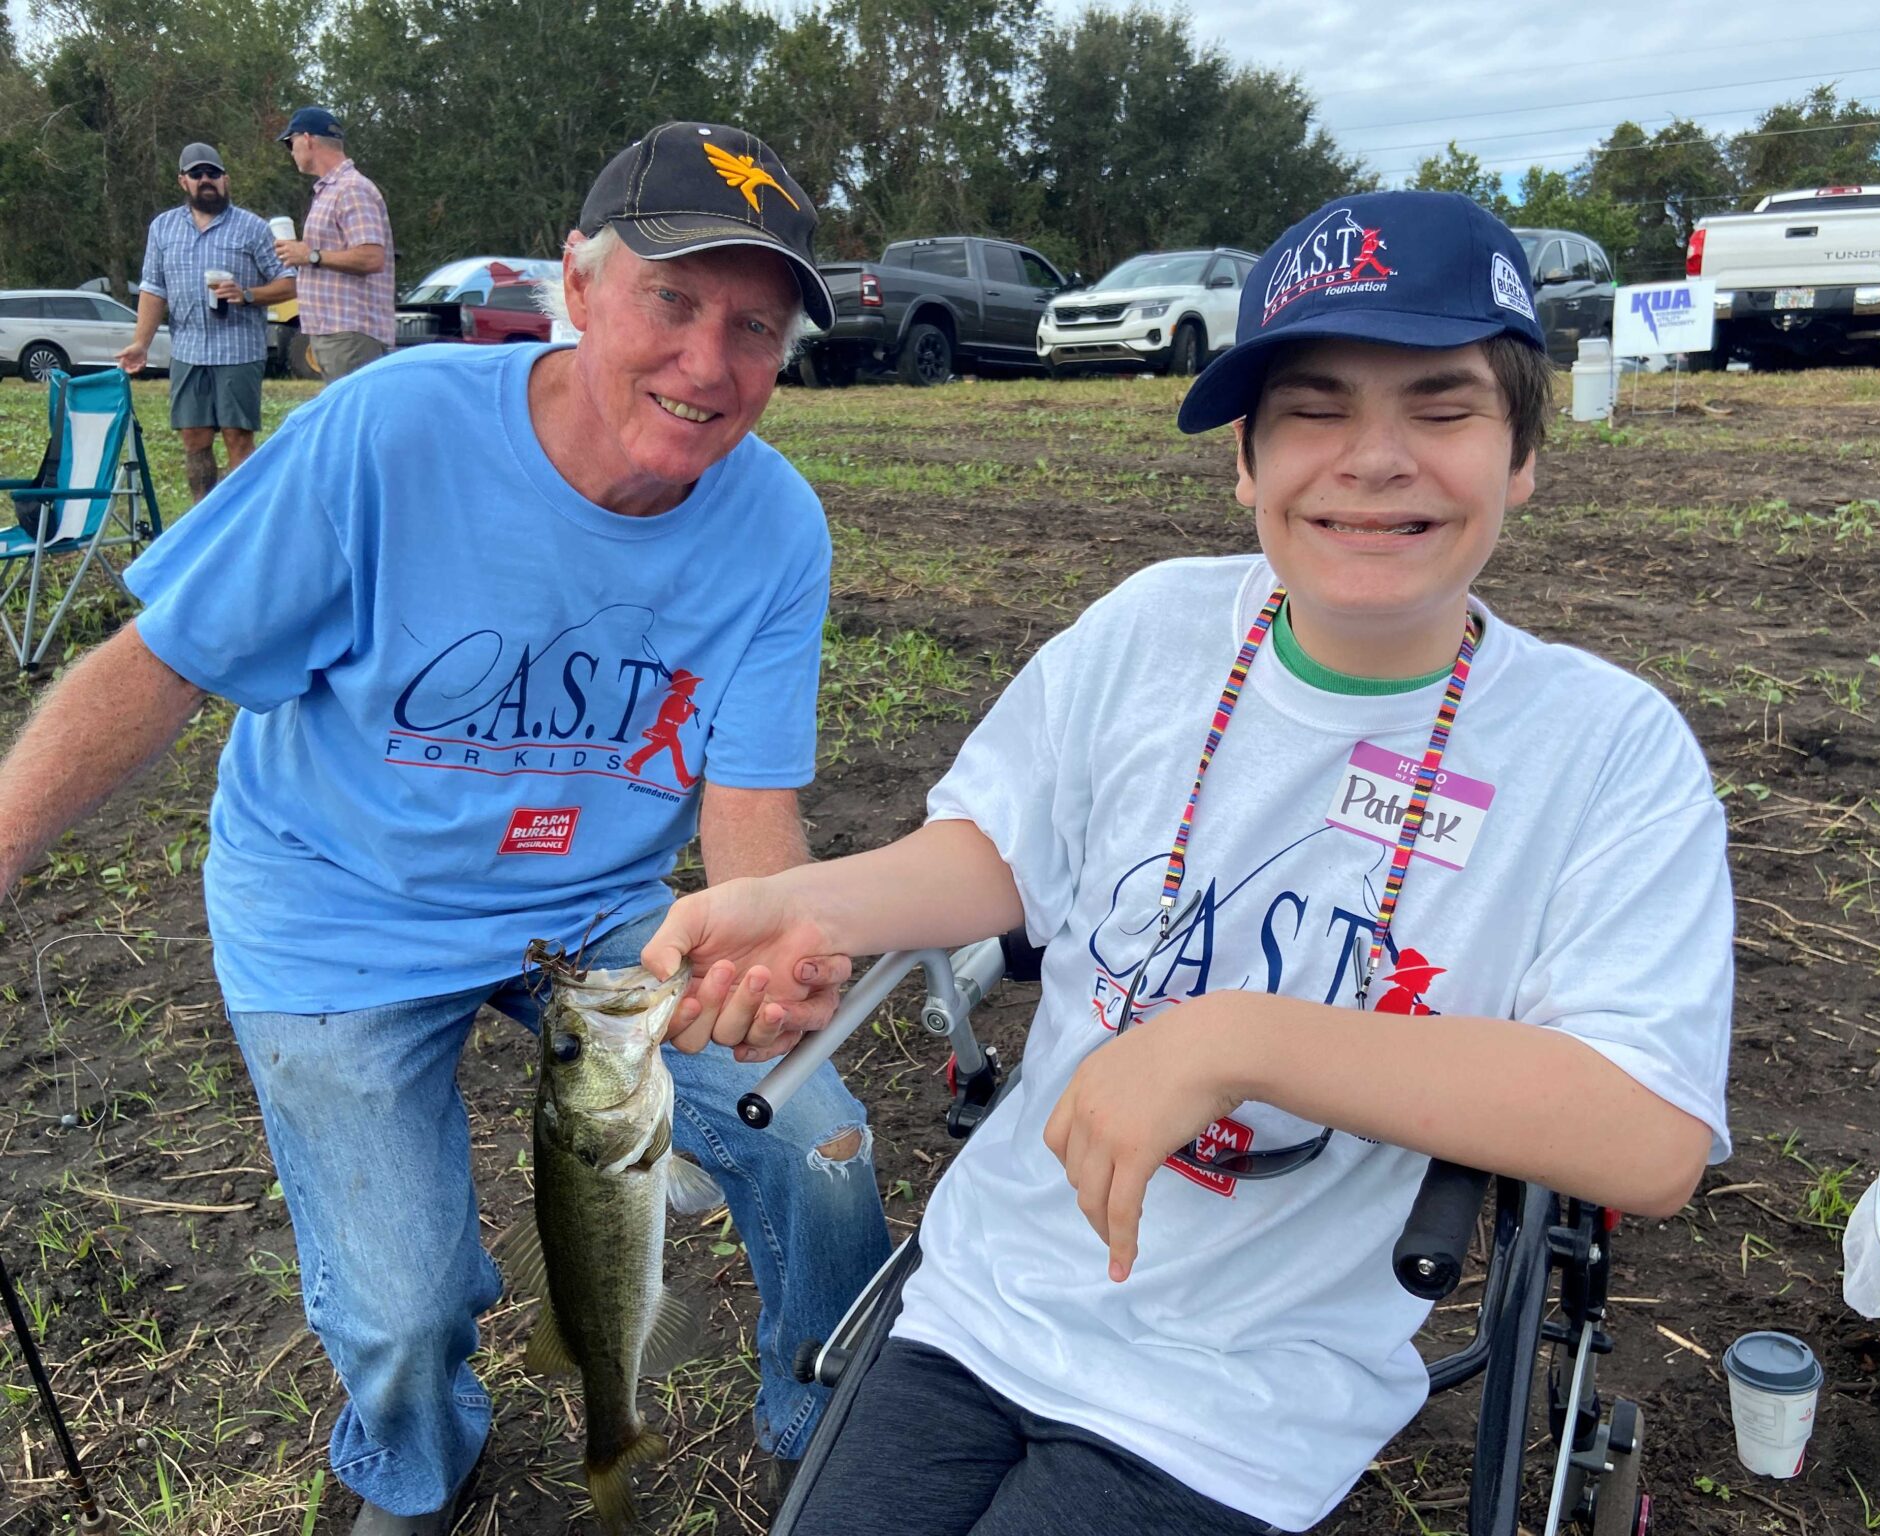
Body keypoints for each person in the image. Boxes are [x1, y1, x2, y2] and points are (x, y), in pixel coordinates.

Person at [642, 190, 1736, 1535]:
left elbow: (1648, 1134)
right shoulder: (1151, 632)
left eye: (1441, 409)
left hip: (1242, 1391)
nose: (1373, 459)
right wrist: (794, 900)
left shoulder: (1604, 749)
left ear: (1521, 456)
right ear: (1245, 462)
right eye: (1314, 410)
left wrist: (1235, 1043)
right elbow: (994, 853)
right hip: (993, 1289)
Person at [0, 122, 889, 1536]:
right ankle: (418, 1462)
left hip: (597, 904)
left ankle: (824, 1415)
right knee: (403, 1304)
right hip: (339, 899)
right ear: (575, 285)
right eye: (671, 300)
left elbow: (748, 810)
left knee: (817, 1139)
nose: (709, 364)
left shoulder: (774, 529)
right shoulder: (390, 434)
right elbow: (159, 666)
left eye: (755, 330)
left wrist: (767, 955)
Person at [117, 142, 295, 501]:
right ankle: (203, 517)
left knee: (237, 437)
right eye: (196, 174)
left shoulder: (252, 228)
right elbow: (153, 289)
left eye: (212, 173)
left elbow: (289, 283)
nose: (205, 180)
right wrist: (140, 344)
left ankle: (242, 517)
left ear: (225, 179)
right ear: (183, 181)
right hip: (188, 352)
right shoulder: (163, 228)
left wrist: (247, 294)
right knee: (194, 438)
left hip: (239, 352)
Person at [274, 106, 396, 382]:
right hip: (334, 332)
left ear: (307, 139)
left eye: (290, 143)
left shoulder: (352, 189)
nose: (291, 152)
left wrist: (311, 256)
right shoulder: (331, 191)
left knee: (354, 409)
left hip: (350, 333)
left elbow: (372, 257)